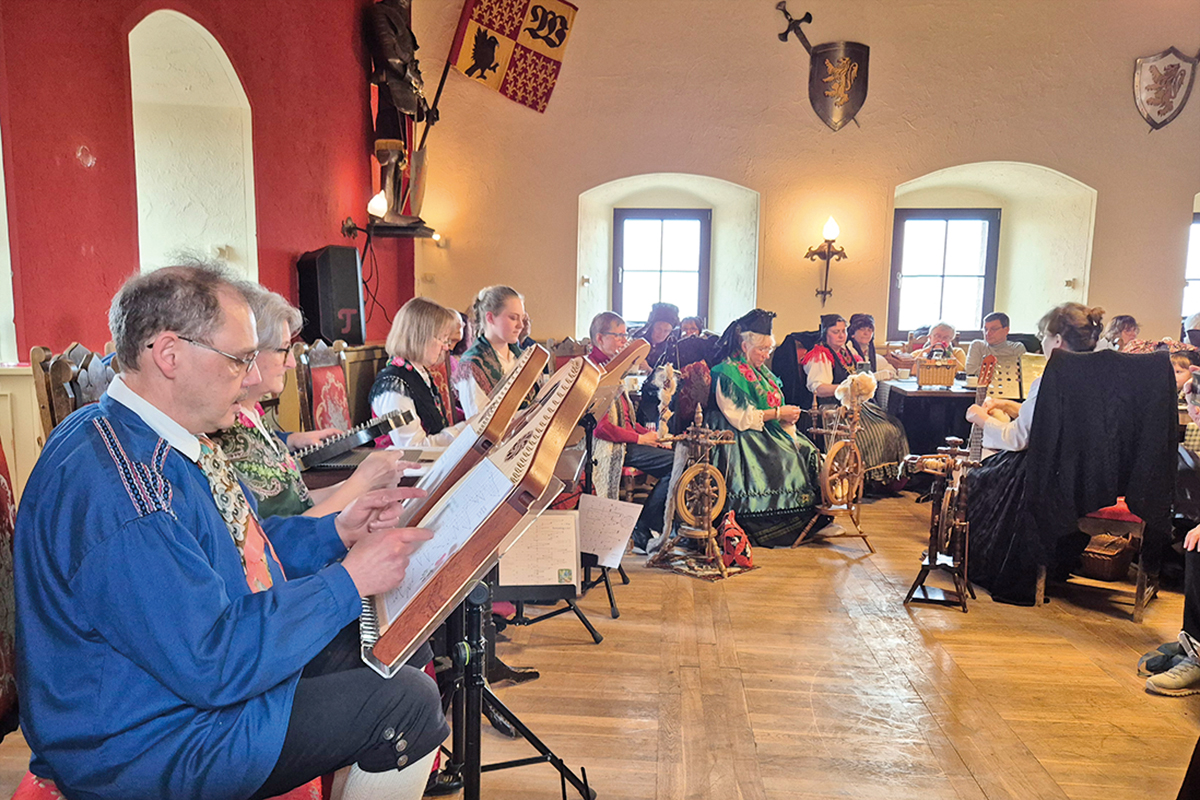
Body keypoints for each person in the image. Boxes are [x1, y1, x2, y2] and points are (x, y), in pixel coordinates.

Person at [14, 265, 447, 800]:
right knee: (406, 704)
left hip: (171, 691)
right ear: (168, 354)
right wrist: (348, 581)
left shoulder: (145, 436)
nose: (248, 378)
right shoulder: (122, 489)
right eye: (238, 359)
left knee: (382, 645)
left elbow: (234, 552)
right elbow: (212, 660)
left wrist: (336, 532)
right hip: (143, 741)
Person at [214, 284, 407, 518]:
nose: (291, 363)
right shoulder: (222, 426)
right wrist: (361, 483)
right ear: (251, 351)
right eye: (283, 350)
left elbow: (297, 503)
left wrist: (367, 487)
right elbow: (278, 533)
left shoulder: (251, 414)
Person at [964, 302, 1105, 604]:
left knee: (977, 478)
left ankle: (978, 561)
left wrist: (981, 417)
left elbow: (1019, 439)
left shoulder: (1050, 379)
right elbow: (1049, 422)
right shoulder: (1101, 378)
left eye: (1043, 335)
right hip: (1089, 476)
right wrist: (1008, 405)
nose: (1041, 341)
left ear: (1056, 340)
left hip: (1044, 476)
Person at [708, 309, 826, 547]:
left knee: (807, 449)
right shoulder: (727, 372)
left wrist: (782, 417)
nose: (765, 355)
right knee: (786, 456)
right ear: (744, 347)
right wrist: (779, 414)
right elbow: (739, 417)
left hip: (763, 427)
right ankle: (777, 524)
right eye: (761, 349)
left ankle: (813, 516)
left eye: (768, 349)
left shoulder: (760, 371)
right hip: (738, 433)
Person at [588, 311, 675, 552]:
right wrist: (640, 438)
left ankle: (647, 524)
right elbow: (601, 428)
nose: (623, 341)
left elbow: (626, 419)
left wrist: (651, 438)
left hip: (623, 441)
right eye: (617, 336)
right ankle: (644, 525)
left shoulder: (612, 368)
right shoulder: (593, 371)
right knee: (678, 464)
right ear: (599, 338)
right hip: (606, 447)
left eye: (624, 335)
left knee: (680, 458)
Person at [803, 314, 910, 486]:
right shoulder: (821, 356)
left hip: (854, 403)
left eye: (843, 331)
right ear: (825, 334)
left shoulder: (848, 352)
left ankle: (886, 478)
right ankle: (860, 479)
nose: (841, 335)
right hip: (832, 407)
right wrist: (845, 388)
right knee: (874, 431)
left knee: (894, 425)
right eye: (835, 331)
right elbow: (818, 388)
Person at [370, 297, 468, 449]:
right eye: (442, 339)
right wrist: (465, 430)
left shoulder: (419, 372)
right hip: (401, 468)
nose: (446, 347)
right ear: (420, 337)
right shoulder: (394, 385)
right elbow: (414, 448)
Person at [454, 285, 527, 419]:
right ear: (490, 318)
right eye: (513, 318)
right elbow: (478, 422)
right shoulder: (471, 365)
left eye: (522, 318)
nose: (520, 325)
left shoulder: (523, 356)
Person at [847, 313, 896, 380]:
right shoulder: (846, 353)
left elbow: (892, 372)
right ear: (853, 333)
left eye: (869, 330)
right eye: (862, 329)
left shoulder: (875, 357)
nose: (866, 333)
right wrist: (877, 376)